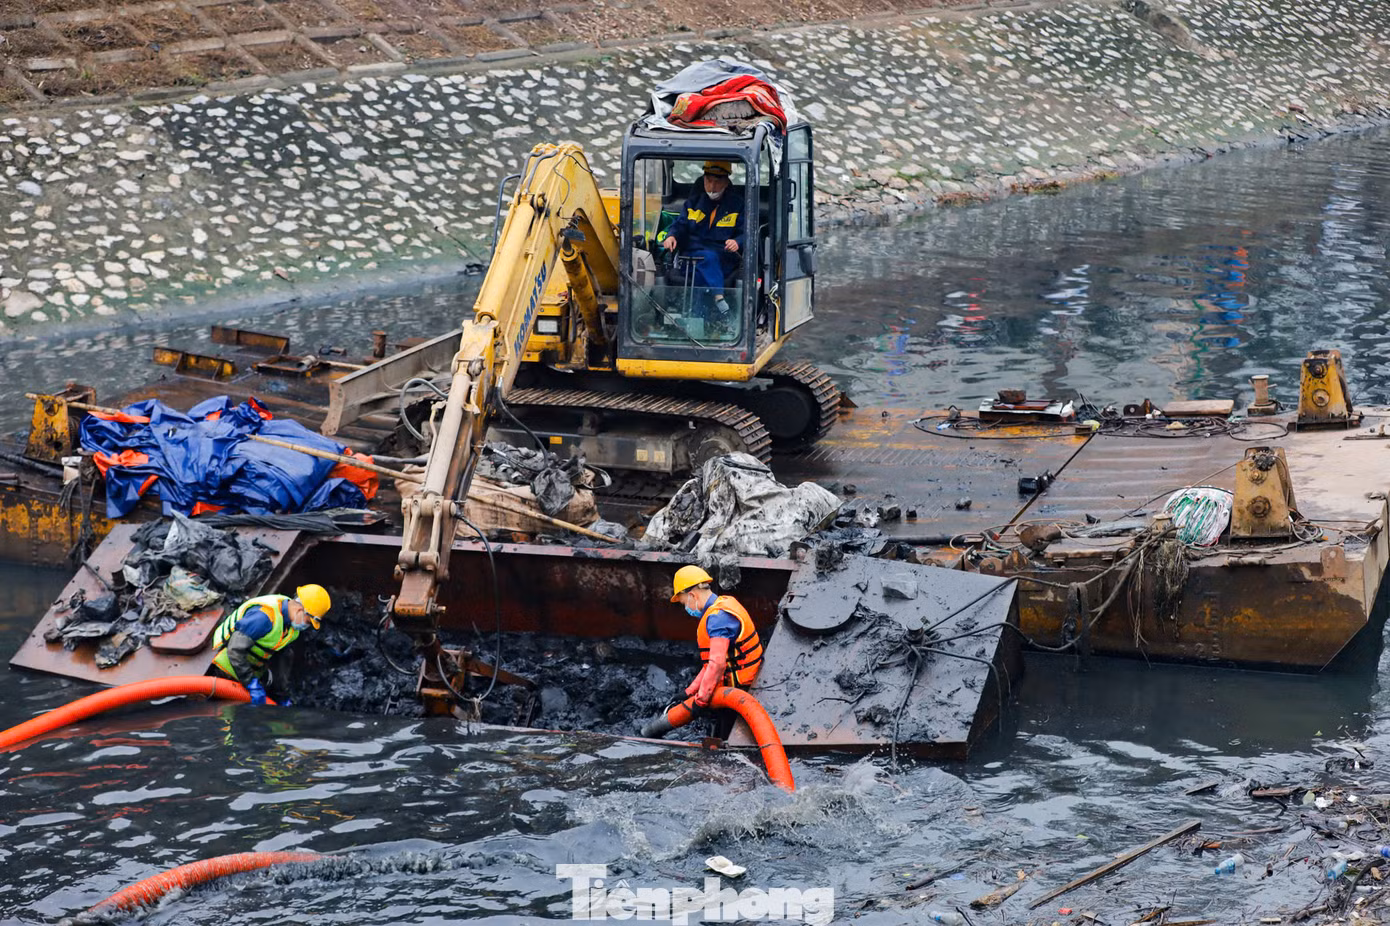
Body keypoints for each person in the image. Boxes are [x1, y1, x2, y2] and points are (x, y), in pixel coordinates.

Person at [209, 584, 331, 706]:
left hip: (246, 672)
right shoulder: (264, 618)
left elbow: (281, 661)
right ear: (299, 610)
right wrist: (250, 682)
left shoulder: (291, 629)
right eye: (308, 621)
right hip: (223, 668)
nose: (306, 626)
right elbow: (235, 650)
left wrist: (281, 694)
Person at [661, 160, 746, 318]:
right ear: (703, 179)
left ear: (726, 182)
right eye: (708, 181)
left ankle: (696, 320)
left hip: (723, 257)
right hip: (692, 256)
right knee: (707, 258)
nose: (712, 187)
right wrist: (671, 236)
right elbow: (680, 225)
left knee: (701, 275)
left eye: (717, 182)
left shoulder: (738, 205)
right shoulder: (692, 204)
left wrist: (737, 242)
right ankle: (719, 300)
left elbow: (746, 233)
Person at [670, 565, 763, 706]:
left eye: (684, 603)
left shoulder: (718, 618)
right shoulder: (724, 604)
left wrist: (700, 701)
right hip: (753, 675)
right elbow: (710, 664)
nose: (686, 608)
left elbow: (717, 664)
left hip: (744, 688)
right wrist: (689, 692)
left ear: (692, 595)